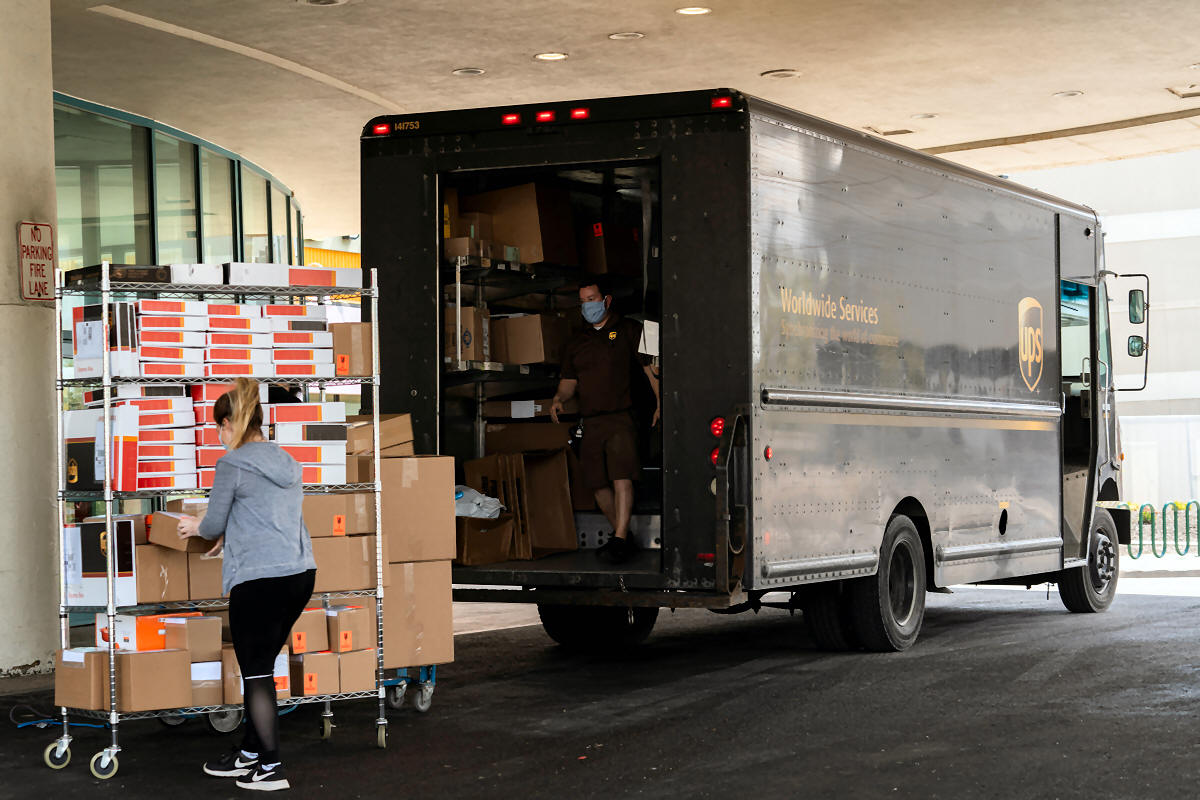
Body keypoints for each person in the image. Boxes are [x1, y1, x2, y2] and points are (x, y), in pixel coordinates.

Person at [176, 378, 316, 792]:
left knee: (255, 673)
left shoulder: (232, 464)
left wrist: (195, 526)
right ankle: (251, 753)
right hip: (299, 575)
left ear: (229, 424)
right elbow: (265, 515)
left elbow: (213, 522)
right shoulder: (286, 461)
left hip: (259, 581)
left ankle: (271, 768)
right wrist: (231, 534)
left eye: (218, 427)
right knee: (262, 665)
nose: (218, 436)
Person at [551, 279, 660, 564]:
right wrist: (559, 399)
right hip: (590, 421)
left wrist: (661, 404)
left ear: (606, 300)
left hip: (622, 417)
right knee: (597, 484)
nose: (588, 306)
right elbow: (568, 382)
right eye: (583, 301)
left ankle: (620, 538)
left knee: (621, 476)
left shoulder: (630, 330)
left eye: (592, 299)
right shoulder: (577, 341)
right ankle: (623, 537)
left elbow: (651, 371)